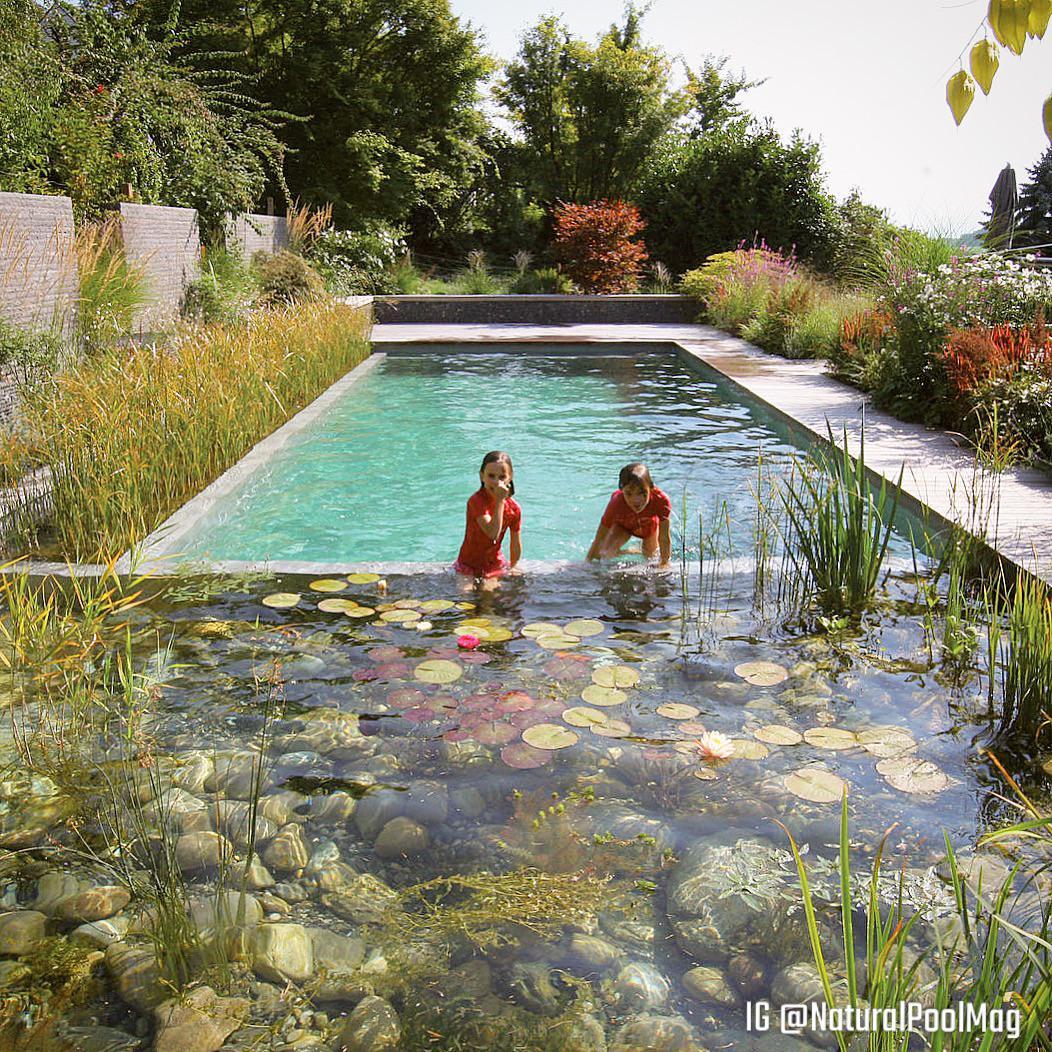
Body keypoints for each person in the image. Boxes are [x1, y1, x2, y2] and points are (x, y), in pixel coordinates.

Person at [587, 462, 671, 567]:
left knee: (651, 558)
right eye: (629, 493)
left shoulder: (661, 500)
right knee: (605, 552)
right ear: (621, 491)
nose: (636, 500)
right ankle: (631, 551)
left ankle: (635, 550)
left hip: (648, 527)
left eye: (642, 493)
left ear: (651, 488)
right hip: (623, 526)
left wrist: (664, 563)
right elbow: (600, 538)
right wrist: (588, 563)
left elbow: (664, 538)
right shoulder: (616, 503)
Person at [454, 450, 522, 578]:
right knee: (465, 593)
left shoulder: (514, 508)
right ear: (482, 476)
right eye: (491, 476)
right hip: (468, 563)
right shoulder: (476, 501)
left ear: (510, 477)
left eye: (502, 477)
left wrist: (514, 565)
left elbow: (515, 542)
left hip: (493, 563)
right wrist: (500, 500)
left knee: (491, 594)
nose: (497, 482)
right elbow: (492, 534)